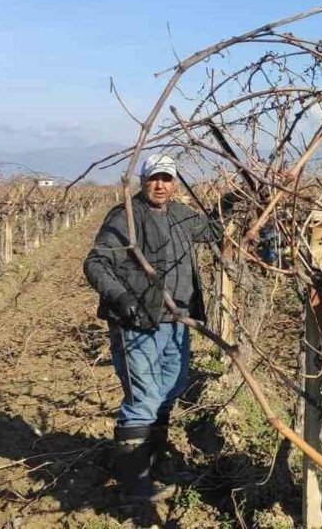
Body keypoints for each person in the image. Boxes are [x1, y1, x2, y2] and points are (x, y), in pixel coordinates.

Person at [83, 154, 221, 504]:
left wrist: (234, 201)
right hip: (139, 322)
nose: (160, 185)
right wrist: (122, 299)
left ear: (174, 183)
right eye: (154, 178)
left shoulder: (180, 214)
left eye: (167, 179)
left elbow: (213, 231)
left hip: (178, 320)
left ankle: (155, 465)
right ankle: (134, 484)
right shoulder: (125, 217)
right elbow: (96, 262)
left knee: (170, 390)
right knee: (143, 397)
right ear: (142, 180)